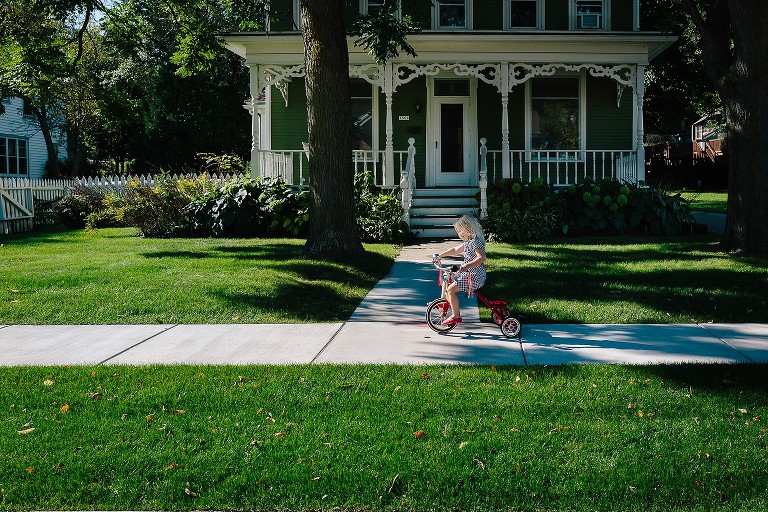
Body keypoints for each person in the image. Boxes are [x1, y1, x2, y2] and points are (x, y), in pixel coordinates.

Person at [434, 214, 487, 326]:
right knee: (447, 277)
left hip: (474, 276)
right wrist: (440, 255)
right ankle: (443, 302)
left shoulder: (475, 242)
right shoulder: (468, 242)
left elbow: (482, 258)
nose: (458, 234)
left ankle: (456, 315)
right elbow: (454, 250)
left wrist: (467, 265)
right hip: (468, 273)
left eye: (459, 231)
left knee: (451, 290)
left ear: (467, 228)